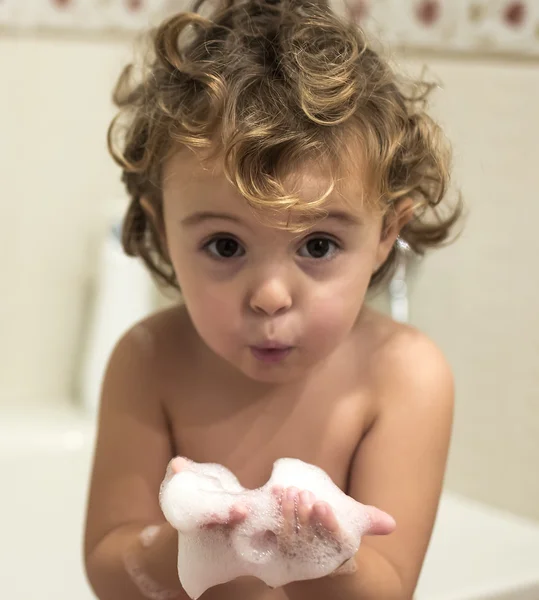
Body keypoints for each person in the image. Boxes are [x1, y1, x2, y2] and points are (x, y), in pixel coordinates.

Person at [84, 0, 462, 598]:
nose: (269, 297)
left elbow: (388, 588)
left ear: (388, 232)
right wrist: (192, 541)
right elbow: (110, 569)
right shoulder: (150, 360)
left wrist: (323, 555)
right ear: (161, 232)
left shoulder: (403, 377)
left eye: (317, 243)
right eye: (225, 245)